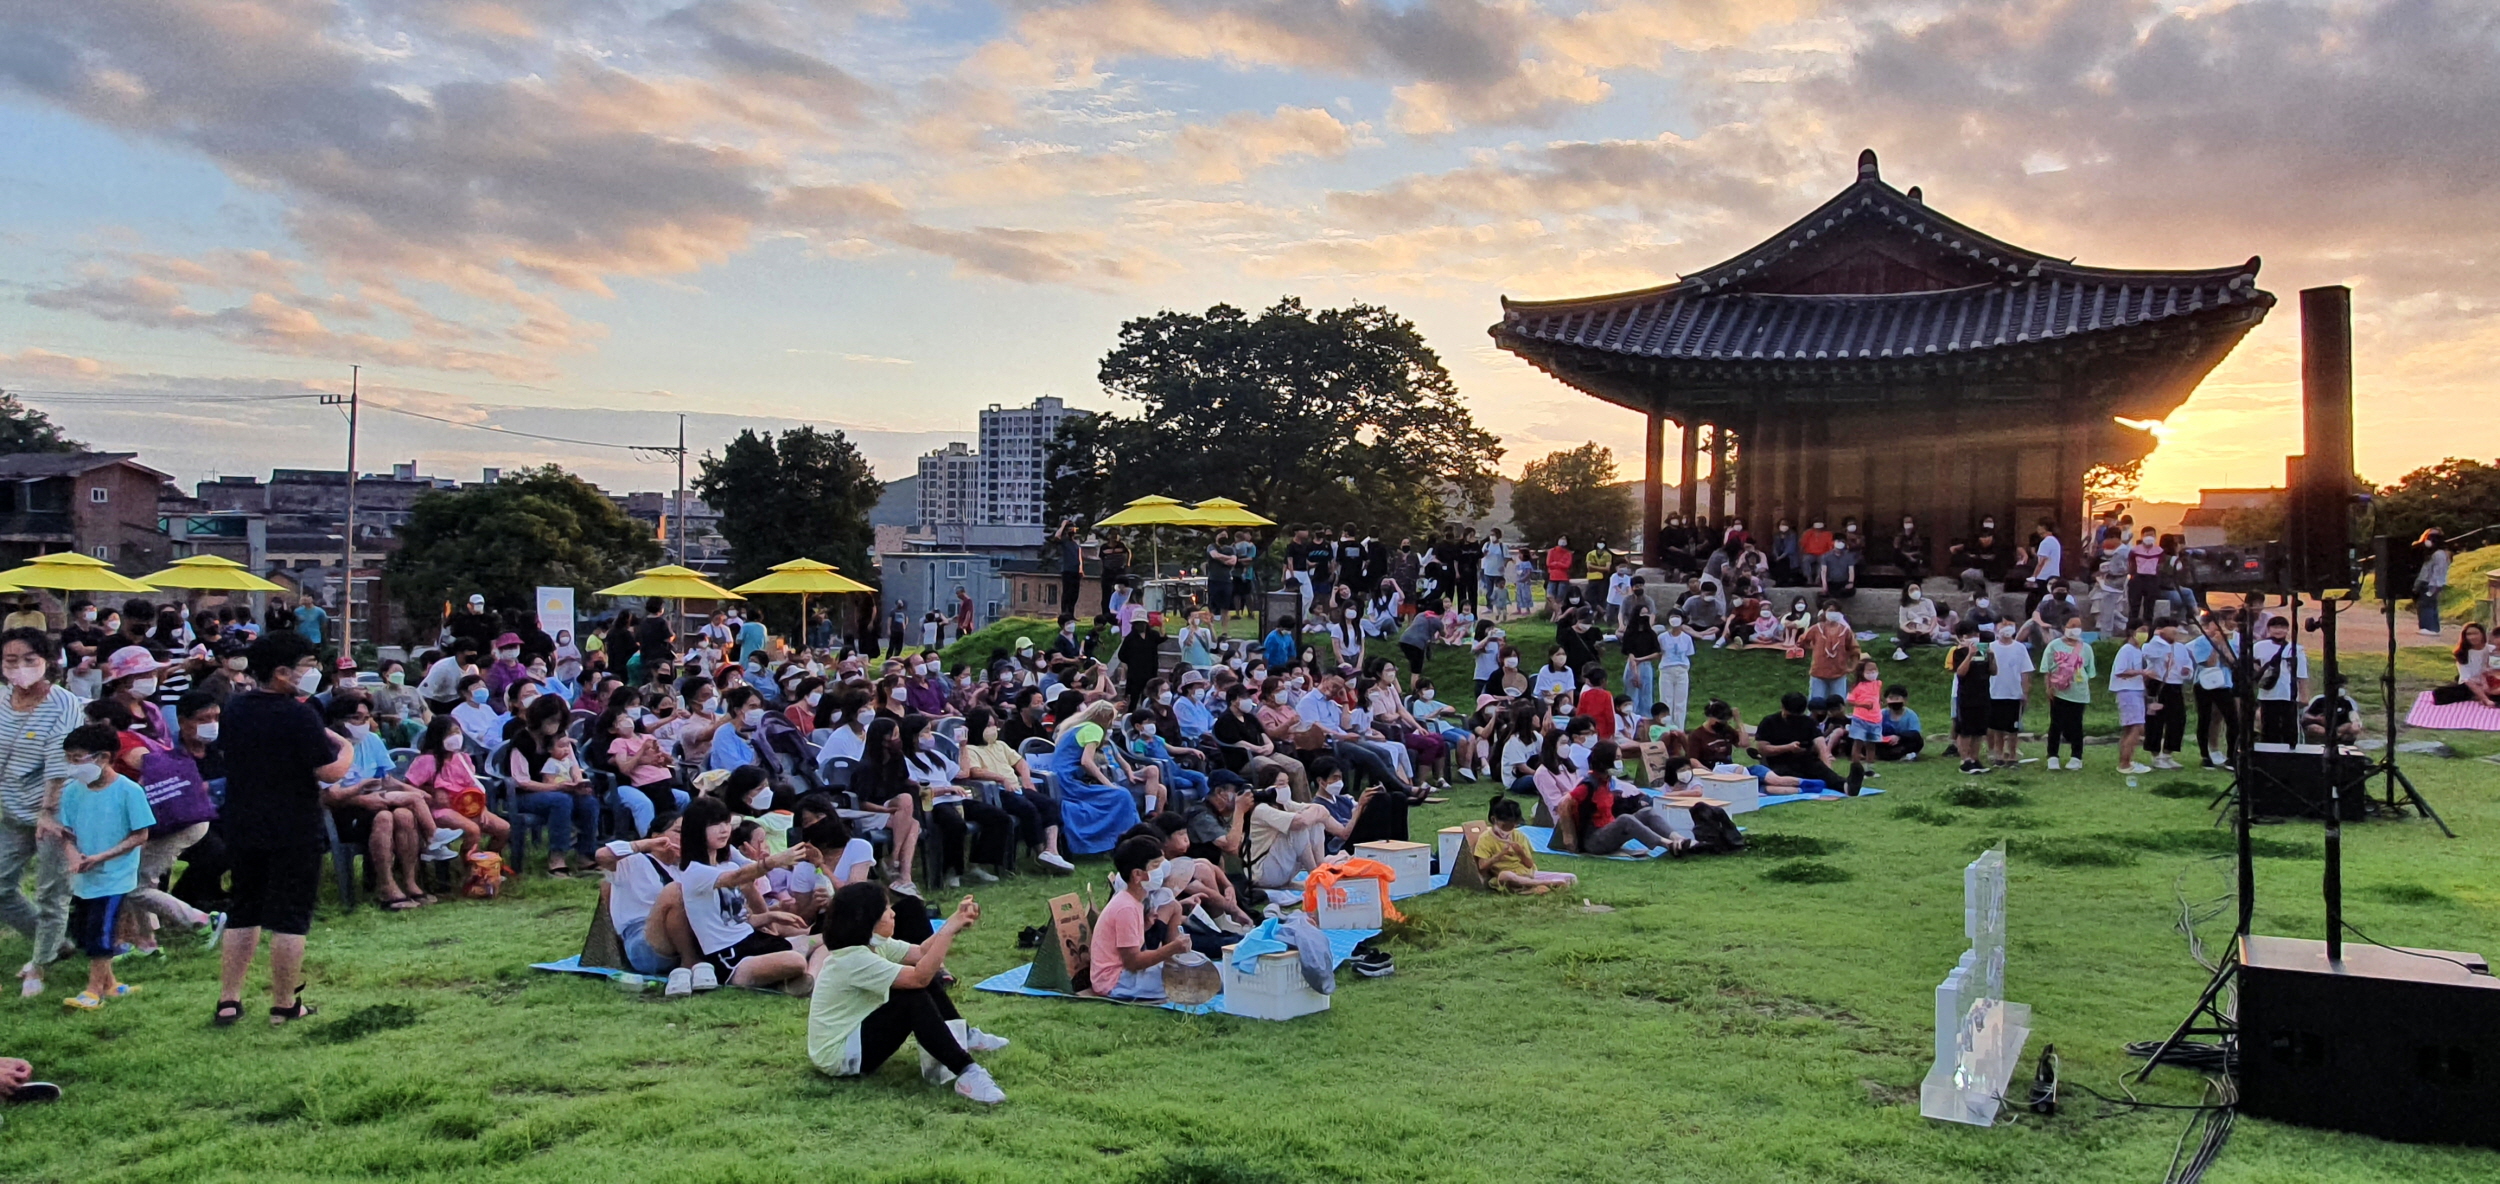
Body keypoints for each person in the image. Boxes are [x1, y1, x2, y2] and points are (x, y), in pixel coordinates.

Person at [213, 631, 355, 1027]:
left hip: (243, 822)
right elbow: (328, 770)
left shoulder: (235, 708)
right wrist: (348, 749)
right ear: (280, 673)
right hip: (294, 825)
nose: (313, 672)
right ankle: (283, 1004)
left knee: (244, 910)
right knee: (290, 917)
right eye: (307, 666)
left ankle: (229, 1000)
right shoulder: (297, 714)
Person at [807, 882, 1004, 1103]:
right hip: (838, 1057)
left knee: (919, 984)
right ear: (868, 920)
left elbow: (920, 952)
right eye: (886, 910)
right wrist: (948, 931)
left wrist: (953, 921)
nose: (893, 914)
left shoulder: (874, 945)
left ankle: (964, 1035)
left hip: (852, 1038)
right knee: (913, 995)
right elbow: (919, 977)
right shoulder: (853, 958)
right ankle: (967, 1072)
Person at [654, 797, 822, 993]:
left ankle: (808, 979)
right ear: (697, 830)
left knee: (827, 940)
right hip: (728, 958)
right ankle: (800, 978)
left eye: (725, 822)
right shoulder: (695, 872)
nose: (724, 829)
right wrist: (774, 862)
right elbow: (737, 877)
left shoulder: (728, 864)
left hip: (753, 941)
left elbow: (737, 920)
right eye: (714, 824)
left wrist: (769, 916)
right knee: (795, 960)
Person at [0, 627, 82, 1000]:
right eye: (11, 660)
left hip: (56, 811)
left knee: (52, 892)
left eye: (29, 660)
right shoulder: (2, 699)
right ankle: (56, 942)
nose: (20, 668)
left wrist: (49, 813)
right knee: (1, 886)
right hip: (12, 811)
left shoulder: (64, 704)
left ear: (47, 662)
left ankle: (40, 965)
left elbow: (58, 764)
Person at [54, 723, 156, 1011]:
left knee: (102, 933)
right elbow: (67, 832)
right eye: (69, 759)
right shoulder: (73, 792)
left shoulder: (129, 791)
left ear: (103, 757)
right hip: (84, 877)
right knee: (86, 932)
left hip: (114, 876)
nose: (72, 766)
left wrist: (102, 857)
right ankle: (111, 985)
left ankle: (93, 990)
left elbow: (140, 834)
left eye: (78, 759)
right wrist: (74, 856)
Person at [319, 693, 431, 910]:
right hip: (344, 811)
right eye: (357, 718)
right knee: (384, 817)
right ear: (339, 720)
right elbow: (330, 797)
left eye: (367, 717)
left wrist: (414, 792)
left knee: (404, 815)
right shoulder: (327, 748)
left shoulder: (372, 740)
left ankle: (409, 882)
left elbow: (386, 780)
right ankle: (385, 886)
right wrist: (361, 794)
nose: (364, 724)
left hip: (377, 801)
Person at [955, 707, 1073, 872]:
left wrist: (1026, 779)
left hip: (1016, 787)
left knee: (1049, 804)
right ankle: (1040, 853)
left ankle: (1051, 850)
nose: (993, 729)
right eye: (988, 725)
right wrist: (1001, 778)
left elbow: (1020, 762)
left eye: (994, 724)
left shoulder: (1000, 745)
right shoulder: (970, 749)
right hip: (996, 791)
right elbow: (975, 771)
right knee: (1028, 809)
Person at [1090, 835, 1194, 1001]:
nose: (1161, 871)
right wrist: (1171, 949)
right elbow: (1133, 963)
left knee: (1189, 972)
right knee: (1190, 981)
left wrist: (1143, 927)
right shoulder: (1126, 907)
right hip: (1115, 981)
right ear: (1137, 874)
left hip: (1123, 974)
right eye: (1155, 866)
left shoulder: (1132, 901)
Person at [507, 695, 599, 877]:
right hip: (526, 795)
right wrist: (557, 788)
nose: (554, 725)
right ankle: (557, 857)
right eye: (551, 720)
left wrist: (578, 783)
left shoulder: (559, 738)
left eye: (558, 721)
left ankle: (585, 854)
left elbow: (574, 765)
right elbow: (521, 781)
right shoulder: (522, 741)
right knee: (561, 801)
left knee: (589, 802)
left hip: (561, 789)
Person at [1047, 701, 1146, 856]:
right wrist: (1107, 784)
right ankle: (1129, 841)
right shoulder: (1094, 729)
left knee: (1119, 794)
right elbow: (1086, 762)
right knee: (1122, 795)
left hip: (1060, 780)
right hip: (1069, 782)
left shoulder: (1075, 727)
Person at [405, 715, 509, 861]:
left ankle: (487, 863)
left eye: (457, 732)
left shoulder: (463, 759)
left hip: (469, 806)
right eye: (450, 734)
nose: (455, 737)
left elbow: (473, 786)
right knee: (473, 830)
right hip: (441, 810)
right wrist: (433, 793)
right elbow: (409, 787)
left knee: (503, 828)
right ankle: (469, 869)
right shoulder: (427, 761)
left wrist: (482, 808)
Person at [1564, 741, 1689, 857]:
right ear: (1606, 761)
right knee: (1625, 819)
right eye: (1617, 758)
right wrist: (1568, 835)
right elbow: (1564, 804)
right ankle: (1667, 844)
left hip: (1608, 831)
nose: (1621, 761)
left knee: (1647, 812)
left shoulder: (1606, 781)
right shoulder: (1588, 785)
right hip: (1594, 840)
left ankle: (1678, 838)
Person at [1473, 796, 1574, 894]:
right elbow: (1482, 867)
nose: (1508, 829)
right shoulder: (1485, 839)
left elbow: (1529, 864)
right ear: (1494, 820)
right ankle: (1545, 884)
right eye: (1505, 825)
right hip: (1508, 877)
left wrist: (1520, 852)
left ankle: (1533, 887)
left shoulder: (1519, 836)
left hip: (1528, 874)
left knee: (1571, 878)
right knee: (1505, 876)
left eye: (1512, 826)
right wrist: (1500, 854)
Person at [2040, 625, 2095, 772]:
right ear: (2065, 627)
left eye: (2077, 625)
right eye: (2072, 625)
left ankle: (2076, 757)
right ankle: (2052, 756)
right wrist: (2048, 686)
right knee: (2056, 724)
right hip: (2059, 691)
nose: (2075, 629)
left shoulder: (2086, 648)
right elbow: (2047, 668)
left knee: (2076, 724)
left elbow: (2089, 671)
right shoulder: (2054, 645)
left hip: (2078, 692)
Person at [2251, 613, 2310, 745]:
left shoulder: (2295, 649)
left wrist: (2304, 694)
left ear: (2288, 630)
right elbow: (2251, 664)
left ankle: (2291, 756)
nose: (2279, 630)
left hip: (2289, 695)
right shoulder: (2259, 647)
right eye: (2275, 627)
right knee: (2268, 727)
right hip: (2267, 694)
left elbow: (2302, 673)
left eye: (2282, 627)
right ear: (2269, 629)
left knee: (2289, 728)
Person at [2144, 618, 2192, 769]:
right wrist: (2158, 639)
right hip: (2158, 684)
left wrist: (2187, 671)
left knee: (2178, 719)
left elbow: (2188, 664)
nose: (2174, 634)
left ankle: (2168, 753)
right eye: (2172, 630)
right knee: (2156, 721)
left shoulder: (2181, 648)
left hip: (2175, 685)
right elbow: (2152, 656)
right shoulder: (2152, 645)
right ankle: (2155, 754)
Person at [1985, 622, 2033, 768]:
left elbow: (2025, 671)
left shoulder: (2020, 648)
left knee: (2013, 728)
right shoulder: (1991, 647)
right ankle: (1998, 754)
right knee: (1997, 727)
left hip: (2014, 694)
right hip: (1995, 693)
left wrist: (2024, 692)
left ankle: (2012, 755)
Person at [2109, 620, 2153, 774]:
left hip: (2136, 690)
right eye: (2142, 630)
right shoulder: (2126, 650)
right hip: (2127, 691)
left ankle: (2126, 759)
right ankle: (2125, 764)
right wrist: (2143, 673)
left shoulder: (2138, 651)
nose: (2144, 634)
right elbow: (2120, 671)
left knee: (2131, 727)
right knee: (2136, 727)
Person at [1840, 658, 1884, 795]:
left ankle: (1869, 769)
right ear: (1862, 672)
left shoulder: (1878, 684)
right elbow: (1850, 701)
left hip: (1875, 719)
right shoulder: (1858, 687)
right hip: (1860, 719)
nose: (1873, 672)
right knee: (1858, 744)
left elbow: (1878, 697)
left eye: (1874, 670)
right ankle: (1856, 769)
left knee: (1871, 745)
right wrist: (1863, 705)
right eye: (1869, 670)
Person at [1801, 603, 1859, 705]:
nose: (1833, 613)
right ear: (1824, 612)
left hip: (1839, 673)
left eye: (1835, 611)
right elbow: (1802, 641)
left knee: (1838, 705)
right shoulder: (1816, 629)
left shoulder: (1845, 631)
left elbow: (1855, 650)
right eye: (1830, 610)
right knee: (1816, 705)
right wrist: (1814, 648)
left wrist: (1852, 667)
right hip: (1818, 673)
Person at [2303, 675, 2363, 746]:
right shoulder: (2319, 700)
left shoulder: (2347, 702)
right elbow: (2305, 716)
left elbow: (2354, 718)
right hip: (2322, 727)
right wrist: (2317, 719)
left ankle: (2336, 737)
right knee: (2314, 728)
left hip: (2339, 728)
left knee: (2350, 727)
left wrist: (2355, 724)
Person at [2412, 529, 2450, 637]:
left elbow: (2436, 572)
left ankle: (2428, 627)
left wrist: (2433, 585)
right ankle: (2433, 628)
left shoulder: (2438, 555)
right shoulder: (2437, 554)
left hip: (2431, 584)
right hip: (2433, 583)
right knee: (2430, 604)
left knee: (2425, 605)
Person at [2454, 624, 2497, 706]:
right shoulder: (2462, 653)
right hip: (2470, 685)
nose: (2472, 637)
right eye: (2469, 634)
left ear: (2482, 634)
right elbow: (2466, 678)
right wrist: (2484, 697)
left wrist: (2486, 683)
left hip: (2490, 682)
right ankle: (2484, 698)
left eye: (2475, 633)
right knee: (2441, 694)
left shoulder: (2492, 649)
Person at [1876, 689, 1923, 762]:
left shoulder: (1911, 715)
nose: (1894, 702)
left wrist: (1899, 736)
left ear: (1904, 700)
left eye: (1897, 698)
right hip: (1884, 742)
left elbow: (1915, 733)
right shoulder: (1881, 714)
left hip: (1902, 742)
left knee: (1918, 741)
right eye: (1891, 698)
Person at [1895, 586, 1939, 659]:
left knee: (1919, 638)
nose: (1915, 591)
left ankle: (1905, 645)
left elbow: (1934, 618)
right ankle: (1900, 650)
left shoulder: (1927, 602)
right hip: (1912, 630)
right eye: (1912, 590)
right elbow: (1902, 624)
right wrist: (1912, 631)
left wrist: (1929, 630)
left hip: (1926, 630)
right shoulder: (1904, 606)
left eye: (1917, 589)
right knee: (1903, 633)